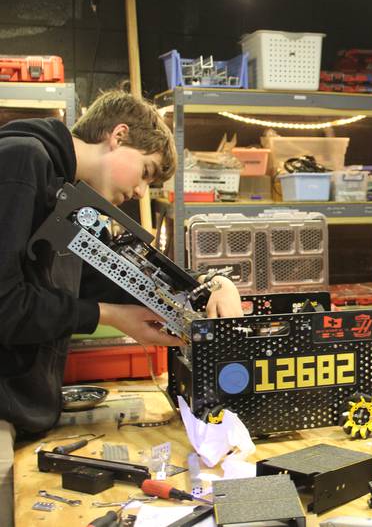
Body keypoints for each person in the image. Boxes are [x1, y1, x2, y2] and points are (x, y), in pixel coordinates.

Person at [0, 89, 242, 526]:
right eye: (146, 172)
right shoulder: (21, 161)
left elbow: (115, 278)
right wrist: (107, 317)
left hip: (24, 411)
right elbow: (4, 306)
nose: (138, 190)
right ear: (118, 135)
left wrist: (210, 286)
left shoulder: (66, 195)